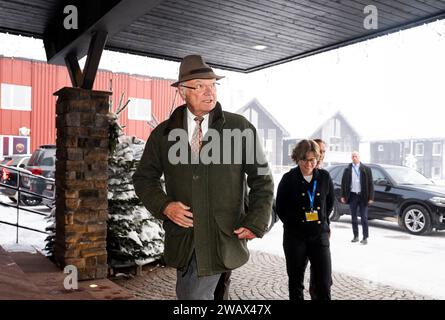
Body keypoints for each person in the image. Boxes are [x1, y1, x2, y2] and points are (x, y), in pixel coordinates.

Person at [133, 54, 274, 300]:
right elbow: (144, 179)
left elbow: (262, 178)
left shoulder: (240, 128)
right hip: (186, 239)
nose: (209, 92)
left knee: (196, 297)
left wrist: (257, 221)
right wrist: (165, 206)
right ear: (182, 92)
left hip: (226, 236)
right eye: (200, 86)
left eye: (212, 85)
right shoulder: (163, 134)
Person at [276, 139, 334, 300]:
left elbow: (329, 204)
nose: (308, 164)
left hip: (319, 236)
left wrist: (325, 224)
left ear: (317, 159)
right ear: (297, 159)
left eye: (311, 160)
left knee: (323, 282)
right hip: (295, 237)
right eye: (304, 160)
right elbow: (280, 207)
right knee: (296, 282)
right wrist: (293, 224)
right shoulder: (288, 178)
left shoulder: (324, 177)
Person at [340, 151, 374, 245]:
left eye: (356, 156)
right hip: (352, 195)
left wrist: (371, 197)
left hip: (363, 196)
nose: (354, 158)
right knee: (353, 217)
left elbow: (371, 184)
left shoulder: (366, 169)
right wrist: (343, 195)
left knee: (364, 217)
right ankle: (355, 236)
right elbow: (343, 183)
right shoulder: (347, 169)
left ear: (359, 157)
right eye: (353, 156)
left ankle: (365, 237)